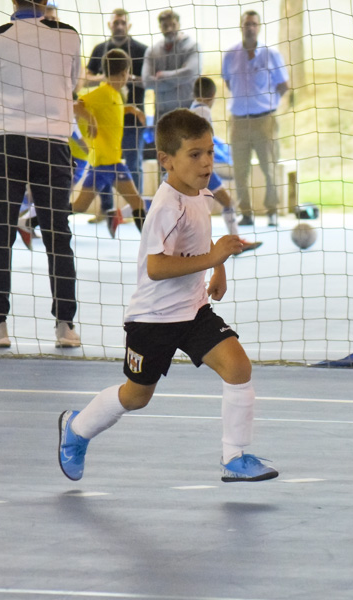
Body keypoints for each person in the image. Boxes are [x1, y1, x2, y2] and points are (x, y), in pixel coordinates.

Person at [57, 108, 278, 484]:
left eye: (209, 152)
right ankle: (77, 429)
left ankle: (234, 456)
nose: (206, 162)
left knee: (238, 366)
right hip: (153, 319)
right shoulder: (165, 207)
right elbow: (157, 267)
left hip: (192, 311)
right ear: (166, 160)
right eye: (195, 155)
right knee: (136, 396)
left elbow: (198, 237)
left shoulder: (199, 191)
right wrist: (213, 257)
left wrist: (217, 268)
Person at [0, 0, 82, 349]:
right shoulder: (69, 37)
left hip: (7, 145)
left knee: (0, 233)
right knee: (57, 233)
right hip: (52, 145)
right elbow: (73, 80)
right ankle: (65, 325)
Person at [222, 10, 289, 228]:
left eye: (253, 24)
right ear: (240, 26)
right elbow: (228, 82)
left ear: (259, 27)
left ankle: (272, 211)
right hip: (238, 120)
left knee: (269, 166)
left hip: (264, 120)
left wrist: (267, 104)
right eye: (246, 24)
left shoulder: (271, 54)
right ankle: (246, 213)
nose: (249, 27)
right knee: (240, 170)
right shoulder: (231, 54)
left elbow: (283, 85)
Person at [70, 48, 147, 238]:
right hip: (107, 163)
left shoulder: (116, 95)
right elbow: (74, 106)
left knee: (80, 206)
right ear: (124, 73)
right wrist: (90, 119)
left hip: (106, 164)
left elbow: (113, 113)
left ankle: (33, 220)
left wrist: (132, 110)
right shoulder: (102, 93)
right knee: (136, 202)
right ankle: (153, 247)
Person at [190, 77, 262, 253]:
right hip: (201, 166)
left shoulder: (191, 109)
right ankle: (235, 244)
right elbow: (205, 140)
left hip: (193, 164)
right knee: (227, 202)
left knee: (180, 203)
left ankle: (233, 242)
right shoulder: (203, 111)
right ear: (213, 96)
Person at [84, 8, 147, 197]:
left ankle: (136, 207)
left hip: (131, 121)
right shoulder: (100, 49)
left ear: (129, 25)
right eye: (115, 23)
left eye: (123, 23)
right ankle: (108, 210)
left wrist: (128, 78)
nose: (119, 26)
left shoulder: (142, 50)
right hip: (105, 120)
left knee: (134, 163)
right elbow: (85, 79)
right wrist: (107, 79)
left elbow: (149, 80)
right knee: (104, 164)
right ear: (109, 25)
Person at [142, 9, 200, 134]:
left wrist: (162, 75)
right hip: (162, 117)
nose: (169, 29)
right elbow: (147, 81)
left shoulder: (192, 47)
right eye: (165, 26)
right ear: (159, 27)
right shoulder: (152, 51)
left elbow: (190, 73)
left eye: (172, 25)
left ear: (179, 24)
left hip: (187, 115)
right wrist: (178, 79)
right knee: (164, 153)